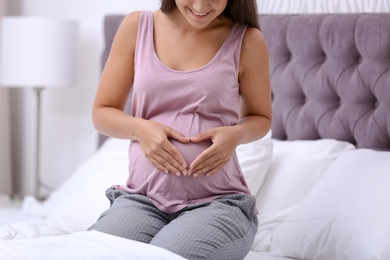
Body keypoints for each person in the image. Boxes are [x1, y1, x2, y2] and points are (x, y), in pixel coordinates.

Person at [88, 0, 271, 259]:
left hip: (217, 203)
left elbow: (261, 117)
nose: (200, 5)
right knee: (90, 252)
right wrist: (141, 129)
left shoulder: (247, 40)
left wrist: (236, 135)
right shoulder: (137, 26)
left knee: (166, 256)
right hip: (142, 199)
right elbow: (102, 113)